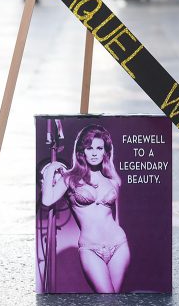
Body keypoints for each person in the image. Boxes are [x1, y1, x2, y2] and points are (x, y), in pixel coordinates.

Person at [40, 125, 130, 294]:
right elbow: (47, 200)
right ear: (82, 151)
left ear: (105, 151)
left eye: (99, 148)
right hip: (91, 248)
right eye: (89, 148)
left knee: (113, 303)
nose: (95, 153)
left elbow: (116, 217)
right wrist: (50, 171)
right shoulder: (70, 178)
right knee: (107, 299)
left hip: (119, 245)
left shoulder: (112, 180)